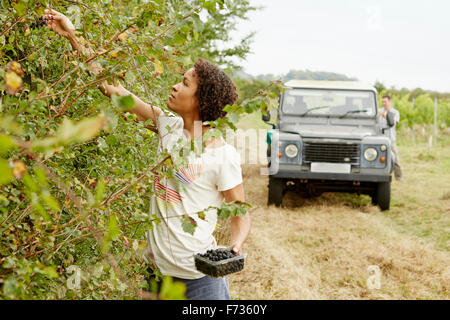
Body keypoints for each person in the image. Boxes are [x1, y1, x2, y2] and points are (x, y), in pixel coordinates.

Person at [43, 8, 251, 300]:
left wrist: (236, 244)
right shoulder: (168, 126)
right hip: (154, 276)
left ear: (201, 101)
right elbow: (110, 87)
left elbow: (239, 211)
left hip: (199, 283)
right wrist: (71, 34)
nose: (175, 85)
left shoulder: (222, 155)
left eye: (185, 83)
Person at [379, 94, 403, 181]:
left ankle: (399, 176)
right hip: (380, 138)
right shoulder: (379, 111)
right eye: (382, 102)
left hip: (390, 139)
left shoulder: (395, 112)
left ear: (389, 101)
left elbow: (393, 123)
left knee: (395, 158)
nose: (383, 103)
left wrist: (384, 115)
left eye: (385, 101)